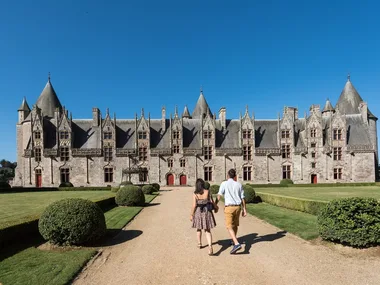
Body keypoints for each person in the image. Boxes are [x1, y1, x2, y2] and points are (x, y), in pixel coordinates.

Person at [215, 168, 247, 254]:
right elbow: (243, 198)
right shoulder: (239, 184)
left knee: (229, 226)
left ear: (227, 175)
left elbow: (219, 195)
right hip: (238, 207)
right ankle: (233, 240)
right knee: (235, 225)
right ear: (235, 176)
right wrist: (244, 209)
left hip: (229, 207)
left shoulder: (224, 183)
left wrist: (215, 204)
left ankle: (236, 243)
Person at [190, 178, 219, 255]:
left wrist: (191, 215)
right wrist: (216, 207)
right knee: (207, 230)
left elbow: (194, 205)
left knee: (198, 228)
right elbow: (212, 202)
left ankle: (199, 243)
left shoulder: (195, 194)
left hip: (199, 211)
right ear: (203, 184)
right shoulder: (207, 191)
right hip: (207, 211)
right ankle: (210, 247)